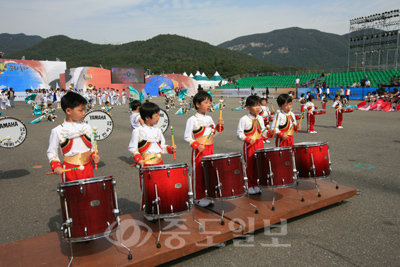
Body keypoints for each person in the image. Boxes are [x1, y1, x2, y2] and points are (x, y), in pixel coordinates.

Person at [128, 102, 176, 220]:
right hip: (146, 165)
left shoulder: (158, 131)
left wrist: (170, 148)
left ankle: (159, 209)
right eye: (156, 115)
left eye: (159, 115)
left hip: (159, 164)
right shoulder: (137, 131)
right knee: (148, 188)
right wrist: (138, 158)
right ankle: (148, 211)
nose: (159, 117)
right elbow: (132, 148)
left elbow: (161, 147)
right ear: (147, 117)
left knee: (160, 187)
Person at [46, 91, 100, 182]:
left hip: (88, 167)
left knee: (89, 193)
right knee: (72, 195)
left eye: (84, 110)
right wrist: (56, 166)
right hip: (70, 169)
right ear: (68, 111)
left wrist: (94, 155)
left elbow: (93, 146)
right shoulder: (57, 130)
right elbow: (52, 152)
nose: (84, 113)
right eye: (80, 110)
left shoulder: (86, 127)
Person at [184, 91, 224, 207]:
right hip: (199, 150)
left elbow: (214, 134)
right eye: (205, 102)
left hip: (210, 148)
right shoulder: (192, 119)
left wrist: (219, 125)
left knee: (208, 172)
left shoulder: (210, 118)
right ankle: (197, 197)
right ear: (197, 104)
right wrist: (196, 145)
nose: (208, 105)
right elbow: (187, 136)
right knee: (199, 173)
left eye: (210, 103)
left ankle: (206, 194)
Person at [237, 95, 271, 194]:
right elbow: (239, 133)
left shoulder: (260, 118)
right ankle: (249, 185)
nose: (258, 108)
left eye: (259, 105)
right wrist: (247, 139)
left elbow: (263, 131)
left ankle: (256, 184)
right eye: (255, 106)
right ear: (248, 107)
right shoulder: (244, 119)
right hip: (250, 145)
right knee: (250, 165)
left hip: (260, 143)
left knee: (258, 165)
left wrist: (269, 133)